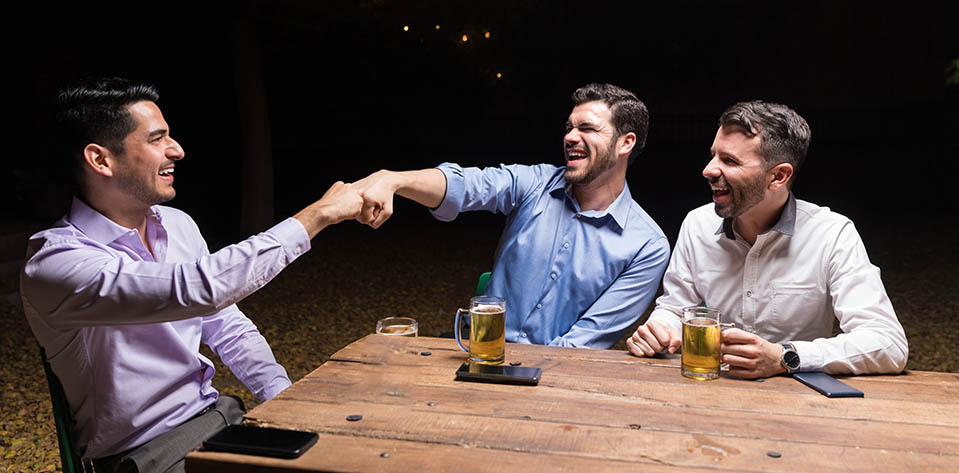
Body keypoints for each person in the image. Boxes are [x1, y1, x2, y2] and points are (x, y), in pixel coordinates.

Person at [21, 77, 364, 472]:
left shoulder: (176, 224)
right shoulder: (55, 262)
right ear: (101, 160)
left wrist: (284, 400)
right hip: (147, 456)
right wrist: (317, 215)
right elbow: (200, 289)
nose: (177, 150)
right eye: (156, 139)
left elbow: (224, 323)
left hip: (221, 420)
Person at [353, 83, 670, 348]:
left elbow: (585, 342)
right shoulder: (534, 183)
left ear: (625, 143)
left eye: (587, 128)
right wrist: (395, 180)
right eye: (569, 127)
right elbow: (467, 186)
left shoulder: (647, 246)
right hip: (479, 353)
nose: (570, 137)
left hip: (558, 382)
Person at [626, 100, 908, 378]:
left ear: (778, 176)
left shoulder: (832, 234)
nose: (709, 170)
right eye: (713, 155)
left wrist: (785, 357)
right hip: (710, 387)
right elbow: (675, 308)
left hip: (796, 399)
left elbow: (888, 343)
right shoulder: (697, 225)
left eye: (729, 161)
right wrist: (659, 329)